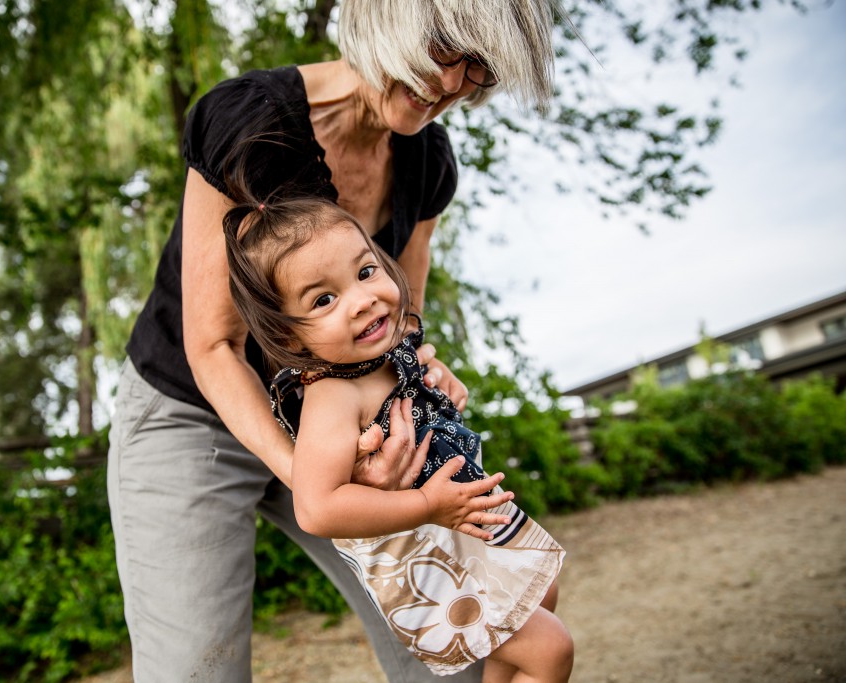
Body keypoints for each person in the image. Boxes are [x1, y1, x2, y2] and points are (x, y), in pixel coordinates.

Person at [107, 0, 560, 680]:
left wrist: (417, 376)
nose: (456, 81)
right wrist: (325, 478)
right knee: (194, 669)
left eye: (481, 66)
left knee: (459, 643)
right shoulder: (249, 122)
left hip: (346, 430)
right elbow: (214, 347)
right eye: (445, 47)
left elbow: (403, 321)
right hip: (191, 411)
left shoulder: (428, 164)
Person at [223, 189, 572, 681]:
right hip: (423, 553)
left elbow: (426, 397)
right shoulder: (332, 395)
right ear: (288, 336)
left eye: (366, 272)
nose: (363, 300)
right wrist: (426, 506)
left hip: (461, 526)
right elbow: (316, 507)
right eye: (324, 299)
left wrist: (441, 382)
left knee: (543, 597)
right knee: (550, 648)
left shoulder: (389, 354)